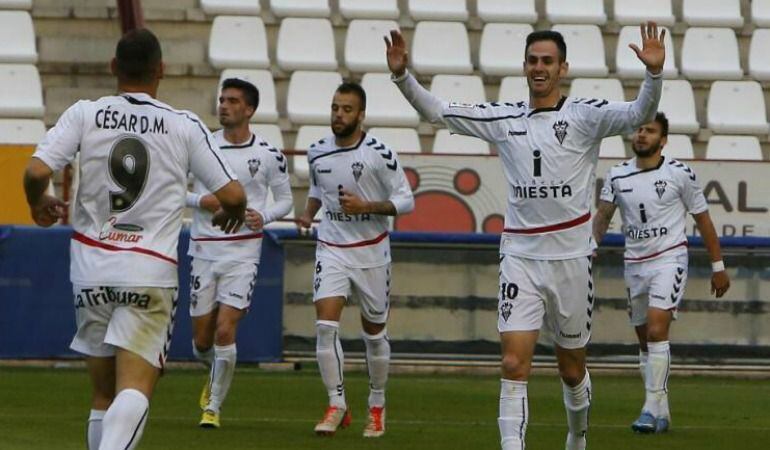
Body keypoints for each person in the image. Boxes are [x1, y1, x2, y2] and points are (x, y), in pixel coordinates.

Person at [386, 22, 666, 450]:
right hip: (520, 257)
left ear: (563, 68)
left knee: (572, 370)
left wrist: (654, 75)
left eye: (547, 61)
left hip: (572, 260)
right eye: (533, 61)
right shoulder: (504, 118)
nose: (539, 68)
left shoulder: (585, 116)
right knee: (514, 362)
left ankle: (577, 436)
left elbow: (637, 114)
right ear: (524, 67)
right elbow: (438, 112)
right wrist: (404, 77)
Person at [23, 29, 246, 450]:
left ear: (113, 68)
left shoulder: (85, 113)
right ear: (161, 70)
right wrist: (231, 213)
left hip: (91, 267)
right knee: (136, 387)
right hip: (148, 268)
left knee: (103, 395)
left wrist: (39, 203)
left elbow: (37, 172)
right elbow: (234, 194)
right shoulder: (182, 124)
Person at [593, 112, 730, 434]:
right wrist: (590, 245)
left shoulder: (680, 173)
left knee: (657, 330)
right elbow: (603, 216)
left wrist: (718, 266)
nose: (642, 135)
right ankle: (661, 409)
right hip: (634, 264)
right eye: (639, 129)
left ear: (663, 140)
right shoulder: (617, 174)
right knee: (645, 340)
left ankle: (648, 408)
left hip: (669, 259)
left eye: (650, 131)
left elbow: (703, 219)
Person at [297, 81, 414, 438]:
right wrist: (307, 212)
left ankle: (376, 405)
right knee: (325, 325)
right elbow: (319, 189)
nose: (339, 115)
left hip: (372, 251)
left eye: (347, 109)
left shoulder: (379, 153)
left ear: (361, 115)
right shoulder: (317, 152)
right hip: (331, 247)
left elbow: (407, 201)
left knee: (374, 333)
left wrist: (368, 206)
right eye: (335, 108)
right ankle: (336, 404)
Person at [186, 78, 293, 428]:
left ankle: (213, 407)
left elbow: (286, 201)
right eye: (222, 99)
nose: (224, 106)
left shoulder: (267, 154)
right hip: (204, 249)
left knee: (224, 330)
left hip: (243, 251)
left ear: (249, 110)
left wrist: (264, 216)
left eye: (232, 101)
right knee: (201, 342)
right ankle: (214, 371)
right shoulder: (202, 147)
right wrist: (200, 200)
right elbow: (172, 190)